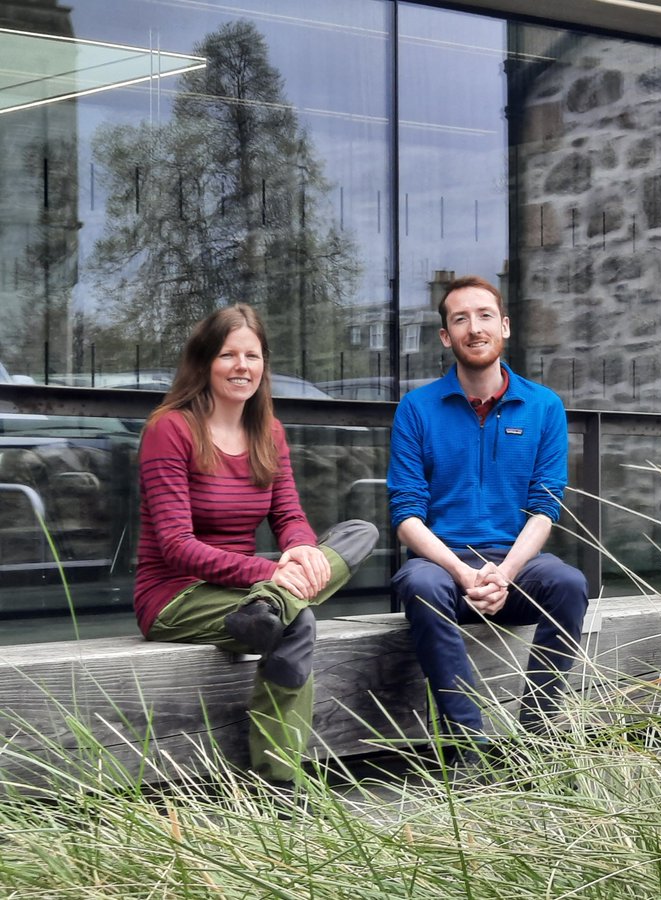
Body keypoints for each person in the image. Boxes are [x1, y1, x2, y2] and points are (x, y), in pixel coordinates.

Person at [134, 303, 377, 789]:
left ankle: (269, 606)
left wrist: (301, 551)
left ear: (264, 363)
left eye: (252, 355)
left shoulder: (268, 431)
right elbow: (177, 546)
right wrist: (266, 574)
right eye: (228, 355)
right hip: (174, 595)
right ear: (205, 362)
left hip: (246, 592)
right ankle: (279, 783)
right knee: (297, 621)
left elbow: (287, 515)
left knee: (360, 533)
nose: (242, 367)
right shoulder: (170, 429)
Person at [388, 275, 588, 757]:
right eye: (460, 319)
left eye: (483, 317)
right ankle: (467, 748)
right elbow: (405, 514)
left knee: (567, 583)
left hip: (514, 566)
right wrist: (462, 571)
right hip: (442, 564)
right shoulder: (416, 409)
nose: (473, 328)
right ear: (445, 336)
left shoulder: (544, 406)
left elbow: (545, 508)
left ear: (504, 326)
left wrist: (505, 573)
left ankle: (534, 745)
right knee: (420, 584)